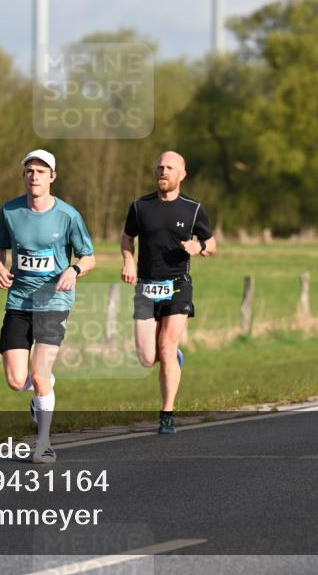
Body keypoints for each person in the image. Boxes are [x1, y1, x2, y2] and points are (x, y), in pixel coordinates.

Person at [0, 149, 95, 464]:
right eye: (29, 171)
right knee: (15, 380)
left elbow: (88, 256)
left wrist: (73, 270)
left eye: (40, 171)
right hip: (19, 300)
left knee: (39, 375)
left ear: (52, 176)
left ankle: (44, 443)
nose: (34, 176)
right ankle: (43, 388)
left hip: (54, 300)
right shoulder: (10, 211)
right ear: (24, 176)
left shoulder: (67, 216)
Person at [121, 151, 216, 435]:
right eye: (160, 167)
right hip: (146, 289)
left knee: (166, 346)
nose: (163, 171)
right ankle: (174, 358)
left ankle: (167, 414)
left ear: (181, 174)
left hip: (178, 286)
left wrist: (198, 248)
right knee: (147, 358)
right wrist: (128, 259)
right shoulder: (140, 207)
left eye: (169, 168)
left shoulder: (193, 209)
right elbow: (128, 238)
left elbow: (211, 244)